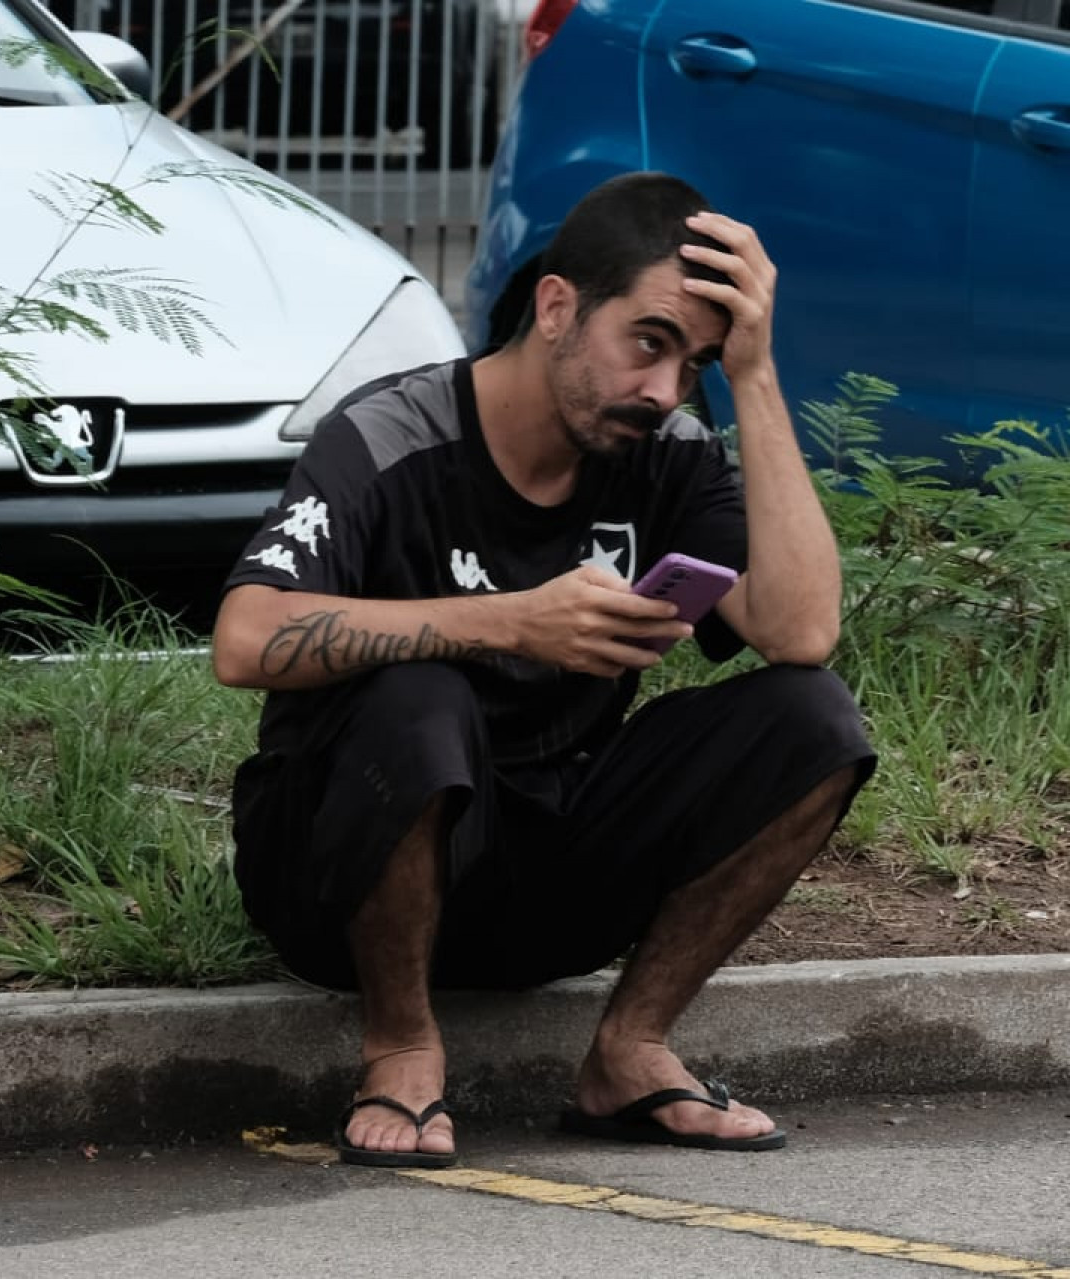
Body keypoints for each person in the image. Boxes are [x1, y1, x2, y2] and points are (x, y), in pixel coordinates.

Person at [210, 171, 876, 1167]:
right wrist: (507, 623)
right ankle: (400, 1047)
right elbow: (245, 638)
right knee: (421, 693)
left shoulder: (667, 453)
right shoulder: (391, 435)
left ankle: (629, 1051)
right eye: (648, 342)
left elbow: (801, 631)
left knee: (815, 719)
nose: (664, 390)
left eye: (692, 364)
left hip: (544, 874)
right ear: (558, 306)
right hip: (337, 882)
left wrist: (757, 374)